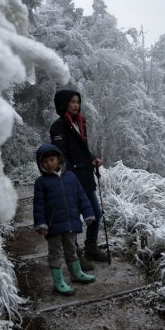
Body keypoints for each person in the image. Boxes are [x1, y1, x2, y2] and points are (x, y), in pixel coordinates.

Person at [50, 89, 107, 265]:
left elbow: (83, 148)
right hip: (71, 179)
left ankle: (91, 247)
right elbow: (61, 155)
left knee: (96, 214)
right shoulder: (58, 127)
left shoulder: (80, 122)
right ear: (64, 103)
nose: (76, 105)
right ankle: (74, 255)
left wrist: (92, 159)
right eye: (73, 101)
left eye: (78, 102)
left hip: (86, 176)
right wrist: (67, 176)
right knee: (73, 219)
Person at [33, 143, 96, 296]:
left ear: (59, 159)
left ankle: (76, 273)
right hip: (53, 225)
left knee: (71, 249)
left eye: (52, 159)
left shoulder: (70, 177)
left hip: (70, 222)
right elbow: (39, 205)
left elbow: (81, 197)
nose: (49, 163)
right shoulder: (41, 182)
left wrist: (88, 213)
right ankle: (58, 281)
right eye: (45, 161)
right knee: (55, 253)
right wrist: (41, 223)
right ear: (41, 164)